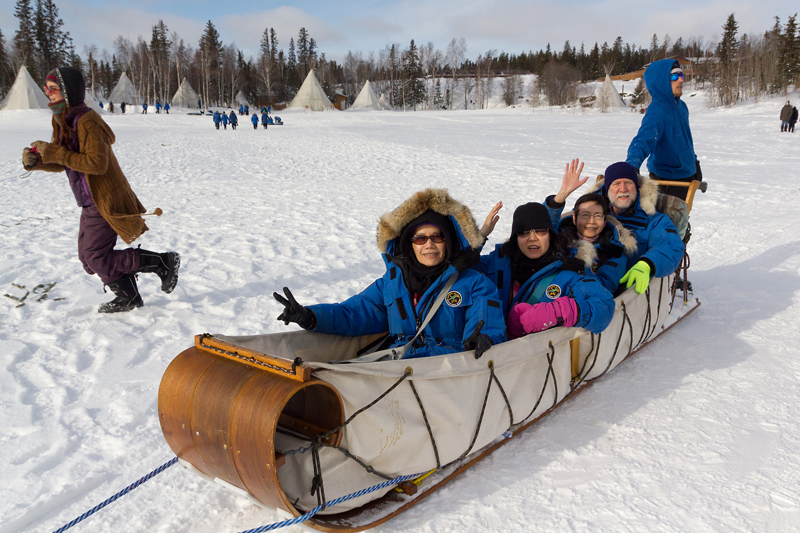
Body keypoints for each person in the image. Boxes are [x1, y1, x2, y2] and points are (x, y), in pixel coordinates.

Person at [274, 189, 506, 359]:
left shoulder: (474, 284)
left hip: (445, 375)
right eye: (420, 238)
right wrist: (311, 316)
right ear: (409, 245)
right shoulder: (392, 284)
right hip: (398, 368)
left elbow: (485, 322)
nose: (429, 244)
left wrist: (483, 338)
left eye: (437, 236)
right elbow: (352, 314)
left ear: (449, 242)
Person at [21, 66, 179, 313]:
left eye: (53, 89)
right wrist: (38, 162)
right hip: (87, 200)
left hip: (103, 199)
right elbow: (65, 161)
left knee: (96, 257)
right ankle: (129, 295)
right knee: (88, 260)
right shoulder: (63, 119)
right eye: (46, 89)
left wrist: (54, 152)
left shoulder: (87, 122)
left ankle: (162, 262)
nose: (47, 93)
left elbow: (96, 163)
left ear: (68, 92)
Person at [476, 202, 614, 339]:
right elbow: (459, 269)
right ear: (515, 238)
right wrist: (479, 237)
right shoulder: (496, 263)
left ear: (550, 235)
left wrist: (558, 311)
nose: (532, 238)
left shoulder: (570, 271)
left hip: (540, 357)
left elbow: (605, 307)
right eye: (524, 233)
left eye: (540, 231)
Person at [546, 161, 685, 295]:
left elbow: (671, 246)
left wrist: (647, 263)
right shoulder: (591, 212)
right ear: (607, 189)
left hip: (623, 289)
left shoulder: (653, 220)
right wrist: (560, 197)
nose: (623, 189)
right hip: (578, 281)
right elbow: (545, 231)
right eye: (616, 183)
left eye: (628, 183)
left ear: (636, 188)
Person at [626, 59, 700, 201]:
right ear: (661, 81)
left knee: (682, 219)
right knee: (668, 222)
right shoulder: (657, 111)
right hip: (667, 181)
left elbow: (686, 140)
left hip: (686, 176)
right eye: (674, 76)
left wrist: (695, 163)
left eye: (681, 75)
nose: (680, 80)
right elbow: (643, 139)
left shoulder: (681, 106)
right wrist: (631, 166)